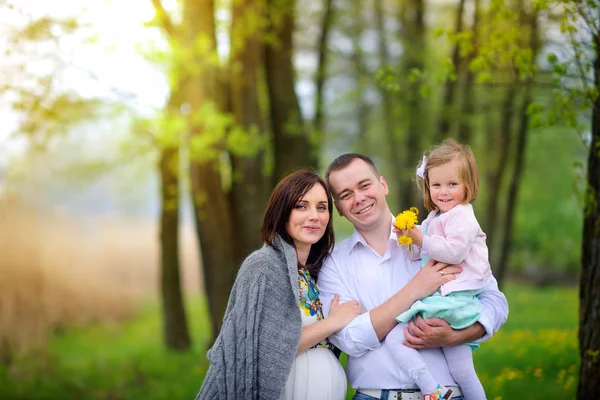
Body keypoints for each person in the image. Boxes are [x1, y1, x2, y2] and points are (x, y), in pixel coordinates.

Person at [318, 153, 508, 400]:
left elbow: (495, 301)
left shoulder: (435, 235)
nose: (359, 198)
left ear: (383, 185)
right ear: (339, 209)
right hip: (375, 395)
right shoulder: (333, 264)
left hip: (450, 394)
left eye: (365, 185)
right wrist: (414, 290)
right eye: (346, 194)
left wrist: (458, 335)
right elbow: (349, 339)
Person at [196, 170, 363, 400]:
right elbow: (264, 348)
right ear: (283, 212)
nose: (314, 216)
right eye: (301, 206)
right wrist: (333, 323)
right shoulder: (263, 266)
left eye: (321, 207)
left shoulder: (312, 274)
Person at [386, 139, 491, 399]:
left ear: (469, 185)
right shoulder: (438, 216)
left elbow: (453, 251)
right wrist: (408, 233)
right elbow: (429, 235)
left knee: (395, 340)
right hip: (447, 301)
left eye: (452, 184)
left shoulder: (463, 216)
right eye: (436, 185)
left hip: (452, 301)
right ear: (427, 186)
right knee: (462, 369)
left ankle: (433, 390)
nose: (443, 192)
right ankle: (444, 392)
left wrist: (420, 239)